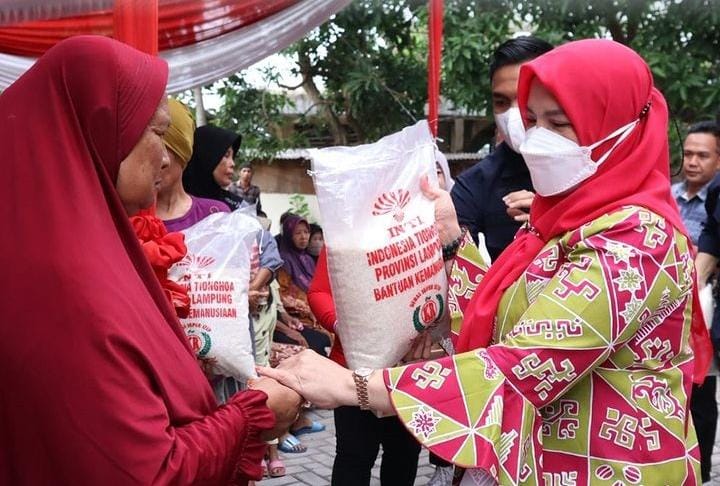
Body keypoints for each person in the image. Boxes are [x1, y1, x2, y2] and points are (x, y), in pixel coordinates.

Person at [261, 39, 713, 485]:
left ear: (619, 130)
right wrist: (454, 241)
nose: (537, 140)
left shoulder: (637, 236)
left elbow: (526, 363)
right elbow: (512, 315)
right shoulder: (562, 221)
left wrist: (350, 386)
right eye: (532, 120)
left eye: (559, 124)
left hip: (610, 464)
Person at [0, 35, 303, 485]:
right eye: (158, 133)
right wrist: (252, 413)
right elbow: (147, 472)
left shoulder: (81, 246)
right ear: (101, 131)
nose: (164, 158)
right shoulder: (68, 287)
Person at [451, 36, 553, 260]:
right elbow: (463, 275)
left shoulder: (594, 165)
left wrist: (556, 218)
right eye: (501, 102)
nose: (513, 115)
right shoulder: (473, 186)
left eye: (526, 98)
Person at [686, 122, 720, 484]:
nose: (693, 162)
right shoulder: (663, 195)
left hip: (706, 305)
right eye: (688, 154)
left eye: (703, 155)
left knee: (702, 393)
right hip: (681, 306)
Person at [155, 98, 231, 231]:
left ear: (183, 153)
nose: (157, 160)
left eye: (163, 149)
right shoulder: (127, 218)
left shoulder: (215, 216)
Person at [182, 124, 244, 210]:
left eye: (232, 157)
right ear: (206, 157)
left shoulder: (237, 206)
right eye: (226, 155)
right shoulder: (175, 206)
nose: (232, 163)